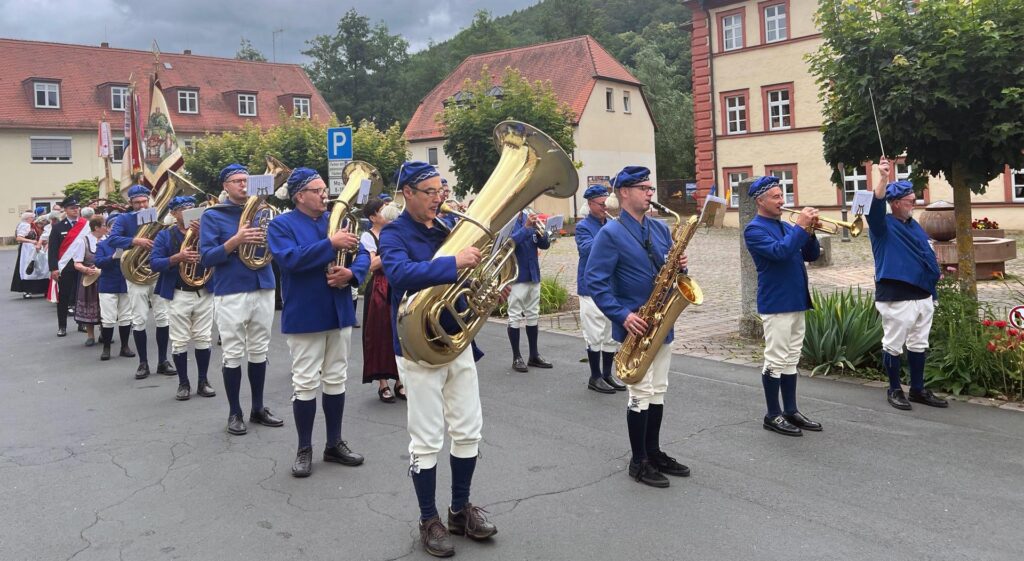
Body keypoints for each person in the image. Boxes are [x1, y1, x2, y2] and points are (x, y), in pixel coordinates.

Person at [379, 161, 497, 558]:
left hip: (457, 343)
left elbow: (466, 280)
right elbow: (399, 274)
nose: (438, 199)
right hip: (418, 347)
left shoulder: (448, 230)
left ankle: (460, 510)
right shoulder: (394, 234)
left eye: (441, 191)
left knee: (468, 431)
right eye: (430, 192)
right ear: (407, 193)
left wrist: (487, 291)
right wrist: (453, 263)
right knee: (427, 438)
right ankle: (429, 518)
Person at [585, 166, 691, 488]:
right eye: (644, 187)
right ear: (624, 192)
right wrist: (622, 315)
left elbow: (668, 271)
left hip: (662, 320)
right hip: (637, 325)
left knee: (659, 390)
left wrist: (681, 267)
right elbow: (595, 281)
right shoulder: (610, 234)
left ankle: (654, 451)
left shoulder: (659, 230)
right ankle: (638, 461)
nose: (650, 192)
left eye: (650, 187)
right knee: (640, 392)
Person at [267, 167, 369, 478]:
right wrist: (331, 245)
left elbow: (363, 254)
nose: (324, 193)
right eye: (317, 190)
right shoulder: (281, 225)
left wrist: (352, 274)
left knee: (336, 378)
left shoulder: (336, 222)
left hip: (338, 309)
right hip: (306, 314)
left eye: (324, 188)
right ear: (299, 195)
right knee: (306, 382)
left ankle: (334, 443)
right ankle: (304, 447)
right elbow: (289, 260)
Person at [200, 163, 284, 436]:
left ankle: (258, 408)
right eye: (236, 181)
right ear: (225, 186)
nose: (243, 185)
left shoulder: (265, 211)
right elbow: (206, 257)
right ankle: (234, 412)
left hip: (263, 283)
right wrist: (235, 241)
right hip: (232, 289)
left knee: (260, 350)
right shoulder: (213, 216)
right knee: (233, 352)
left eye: (246, 180)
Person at [742, 176, 823, 437]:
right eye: (776, 197)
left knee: (791, 359)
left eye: (782, 195)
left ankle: (790, 410)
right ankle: (772, 414)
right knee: (775, 359)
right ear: (760, 201)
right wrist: (800, 228)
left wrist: (809, 231)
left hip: (796, 299)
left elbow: (811, 255)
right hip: (776, 302)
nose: (782, 201)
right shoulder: (754, 229)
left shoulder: (787, 227)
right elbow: (779, 252)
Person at [870, 158, 946, 410]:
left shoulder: (914, 226)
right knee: (893, 344)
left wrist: (938, 271)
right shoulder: (882, 226)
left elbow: (924, 253)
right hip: (896, 293)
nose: (915, 204)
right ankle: (894, 389)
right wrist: (882, 178)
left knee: (919, 343)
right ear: (896, 203)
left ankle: (917, 389)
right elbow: (875, 206)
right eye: (911, 201)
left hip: (923, 292)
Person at [150, 196, 217, 402]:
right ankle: (183, 383)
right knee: (179, 340)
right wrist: (178, 258)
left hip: (204, 291)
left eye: (191, 208)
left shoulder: (206, 233)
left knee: (203, 337)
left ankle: (203, 381)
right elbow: (155, 263)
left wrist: (202, 237)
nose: (188, 212)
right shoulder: (165, 236)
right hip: (179, 292)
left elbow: (217, 254)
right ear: (173, 213)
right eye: (183, 209)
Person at [107, 185, 174, 379]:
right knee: (139, 319)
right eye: (137, 202)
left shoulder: (159, 216)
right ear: (131, 203)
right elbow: (113, 239)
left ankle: (163, 360)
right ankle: (143, 363)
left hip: (157, 271)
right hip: (136, 275)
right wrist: (136, 241)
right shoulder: (124, 219)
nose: (142, 205)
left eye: (144, 201)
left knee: (163, 317)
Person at [575, 185, 624, 394]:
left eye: (607, 204)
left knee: (609, 333)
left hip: (611, 285)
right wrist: (609, 233)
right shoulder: (583, 227)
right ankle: (594, 377)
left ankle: (606, 374)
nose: (605, 208)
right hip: (591, 286)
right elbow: (587, 249)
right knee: (594, 333)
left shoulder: (612, 224)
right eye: (601, 204)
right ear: (590, 204)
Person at [359, 198, 403, 402]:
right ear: (372, 217)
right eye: (381, 211)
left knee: (400, 333)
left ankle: (400, 380)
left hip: (397, 284)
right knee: (379, 335)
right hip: (379, 288)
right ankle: (383, 383)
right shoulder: (368, 236)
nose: (386, 213)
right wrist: (392, 251)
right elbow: (372, 264)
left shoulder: (396, 230)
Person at [506, 208, 552, 373]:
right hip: (516, 275)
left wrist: (543, 235)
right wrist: (526, 227)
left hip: (533, 273)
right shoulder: (506, 220)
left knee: (533, 314)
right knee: (515, 315)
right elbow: (508, 243)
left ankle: (534, 355)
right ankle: (516, 357)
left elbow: (544, 245)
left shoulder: (529, 217)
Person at [95, 214, 136, 361]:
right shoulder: (102, 245)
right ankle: (106, 348)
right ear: (108, 229)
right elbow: (98, 262)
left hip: (125, 283)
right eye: (112, 227)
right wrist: (111, 258)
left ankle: (124, 347)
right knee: (108, 318)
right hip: (108, 284)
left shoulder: (128, 243)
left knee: (126, 317)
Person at [64, 216, 107, 346]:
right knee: (89, 306)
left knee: (106, 307)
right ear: (96, 227)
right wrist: (86, 270)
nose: (107, 227)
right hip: (89, 279)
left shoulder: (108, 240)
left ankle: (104, 333)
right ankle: (90, 335)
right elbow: (77, 263)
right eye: (104, 225)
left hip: (105, 278)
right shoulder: (83, 241)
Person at [48, 196, 85, 337]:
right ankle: (62, 326)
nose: (76, 210)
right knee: (64, 297)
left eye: (77, 207)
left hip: (82, 265)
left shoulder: (85, 225)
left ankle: (82, 322)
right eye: (72, 208)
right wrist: (53, 268)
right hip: (65, 267)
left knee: (81, 296)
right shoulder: (58, 227)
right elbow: (52, 250)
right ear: (66, 210)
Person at [11, 210, 49, 298]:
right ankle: (27, 290)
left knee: (40, 268)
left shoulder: (32, 226)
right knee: (28, 267)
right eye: (32, 217)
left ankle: (41, 289)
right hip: (27, 250)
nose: (34, 218)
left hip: (34, 249)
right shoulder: (25, 225)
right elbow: (19, 238)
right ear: (28, 218)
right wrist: (31, 241)